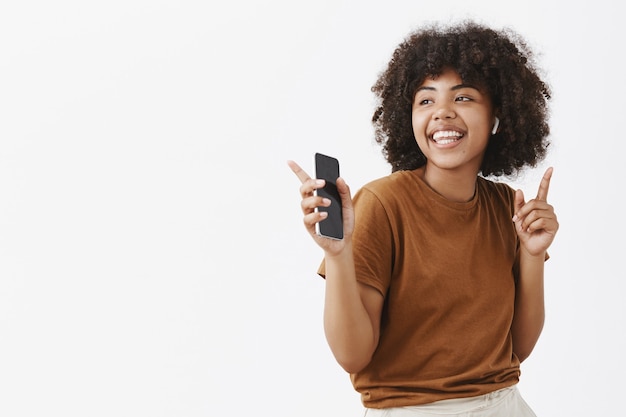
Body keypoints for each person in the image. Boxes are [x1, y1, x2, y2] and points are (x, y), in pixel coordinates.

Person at [288, 20, 558, 417]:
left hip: (505, 405)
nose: (443, 113)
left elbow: (518, 349)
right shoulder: (382, 204)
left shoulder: (507, 207)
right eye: (426, 100)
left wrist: (532, 256)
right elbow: (353, 356)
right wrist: (338, 255)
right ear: (408, 117)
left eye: (463, 98)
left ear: (498, 114)